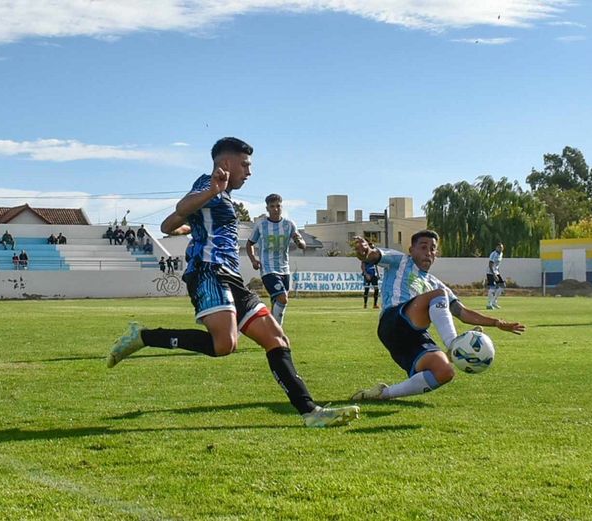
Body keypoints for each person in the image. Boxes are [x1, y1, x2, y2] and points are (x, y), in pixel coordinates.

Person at [106, 137, 358, 428]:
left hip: (232, 276)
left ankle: (310, 413)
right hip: (208, 270)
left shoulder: (222, 196)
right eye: (245, 165)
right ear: (226, 163)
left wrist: (194, 224)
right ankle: (145, 336)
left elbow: (169, 225)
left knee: (277, 339)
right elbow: (179, 207)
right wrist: (212, 190)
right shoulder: (208, 183)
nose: (249, 172)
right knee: (225, 344)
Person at [349, 231, 525, 401]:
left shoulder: (435, 283)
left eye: (432, 248)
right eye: (423, 247)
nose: (428, 252)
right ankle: (453, 345)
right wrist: (364, 251)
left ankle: (384, 394)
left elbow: (461, 312)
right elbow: (372, 255)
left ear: (436, 254)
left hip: (413, 336)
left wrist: (496, 322)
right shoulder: (401, 260)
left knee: (444, 372)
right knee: (437, 295)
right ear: (412, 250)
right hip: (394, 321)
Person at [245, 193, 306, 326]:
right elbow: (249, 243)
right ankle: (277, 334)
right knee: (282, 299)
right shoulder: (261, 225)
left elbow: (302, 243)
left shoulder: (289, 224)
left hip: (284, 269)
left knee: (276, 303)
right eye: (272, 206)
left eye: (278, 206)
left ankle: (270, 333)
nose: (275, 209)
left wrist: (299, 242)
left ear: (281, 207)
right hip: (268, 269)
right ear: (267, 208)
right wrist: (253, 260)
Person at [486, 242, 506, 309]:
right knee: (492, 287)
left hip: (496, 272)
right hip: (490, 272)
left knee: (502, 285)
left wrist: (497, 273)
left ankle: (494, 301)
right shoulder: (493, 254)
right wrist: (494, 274)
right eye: (499, 247)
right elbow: (490, 265)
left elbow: (497, 265)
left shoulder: (501, 254)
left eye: (502, 247)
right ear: (496, 248)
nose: (501, 248)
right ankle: (489, 304)